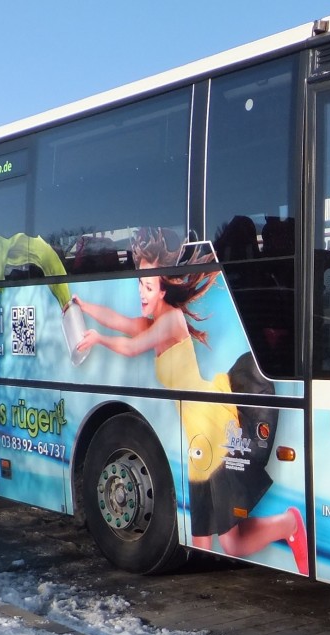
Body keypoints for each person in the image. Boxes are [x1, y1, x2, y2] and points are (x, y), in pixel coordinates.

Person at [72, 228, 308, 575]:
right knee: (212, 543)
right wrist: (83, 305)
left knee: (224, 543)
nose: (141, 291)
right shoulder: (155, 320)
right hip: (196, 441)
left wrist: (97, 340)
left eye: (148, 285)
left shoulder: (171, 321)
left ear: (163, 287)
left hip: (211, 425)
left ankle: (290, 523)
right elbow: (122, 322)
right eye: (140, 283)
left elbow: (132, 346)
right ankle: (287, 525)